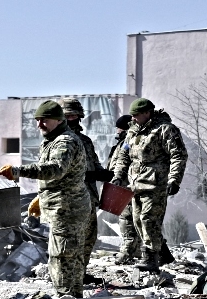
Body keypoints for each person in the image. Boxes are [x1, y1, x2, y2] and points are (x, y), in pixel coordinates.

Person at [0, 101, 89, 297]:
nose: (39, 125)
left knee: (63, 256)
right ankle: (72, 298)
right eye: (37, 120)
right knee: (69, 255)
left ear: (58, 120)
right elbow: (60, 177)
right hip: (63, 205)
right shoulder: (52, 140)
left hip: (68, 208)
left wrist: (17, 171)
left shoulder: (65, 142)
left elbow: (55, 169)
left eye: (44, 120)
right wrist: (42, 198)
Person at [111, 98, 188, 273]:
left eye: (136, 115)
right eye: (132, 115)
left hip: (156, 184)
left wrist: (174, 180)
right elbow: (124, 155)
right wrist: (118, 175)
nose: (133, 118)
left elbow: (178, 155)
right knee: (137, 221)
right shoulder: (132, 131)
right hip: (135, 184)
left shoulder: (165, 129)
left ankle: (151, 258)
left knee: (149, 220)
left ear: (147, 113)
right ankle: (162, 255)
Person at [60, 97, 106, 275]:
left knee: (89, 238)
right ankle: (69, 276)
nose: (73, 119)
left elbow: (95, 164)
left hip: (88, 197)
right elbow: (58, 171)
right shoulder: (60, 140)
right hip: (69, 199)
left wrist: (104, 173)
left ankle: (80, 273)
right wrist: (88, 175)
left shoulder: (85, 140)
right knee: (71, 240)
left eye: (75, 115)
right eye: (68, 116)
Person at [106, 115, 143, 265]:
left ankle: (128, 252)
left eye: (119, 128)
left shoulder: (131, 142)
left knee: (127, 219)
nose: (117, 131)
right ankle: (135, 251)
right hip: (121, 185)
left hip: (129, 186)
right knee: (131, 219)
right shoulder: (123, 143)